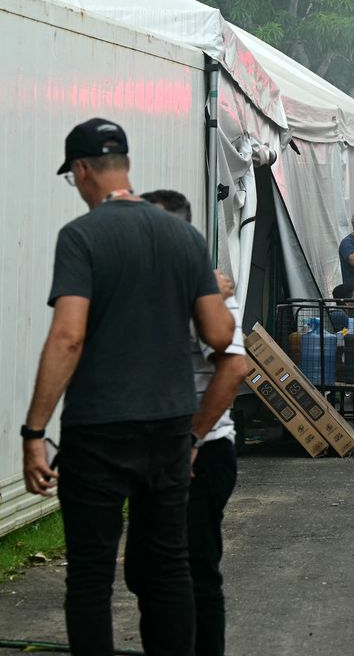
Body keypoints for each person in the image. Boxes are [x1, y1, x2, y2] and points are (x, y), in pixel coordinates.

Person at [22, 118, 234, 656]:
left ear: (82, 170)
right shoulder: (184, 236)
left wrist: (34, 429)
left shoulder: (82, 236)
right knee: (168, 568)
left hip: (99, 429)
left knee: (91, 575)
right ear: (127, 166)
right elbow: (218, 333)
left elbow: (68, 337)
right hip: (169, 428)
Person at [141, 189, 248, 656]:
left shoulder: (209, 294)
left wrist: (192, 438)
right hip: (156, 449)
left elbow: (233, 368)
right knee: (147, 571)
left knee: (193, 568)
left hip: (200, 454)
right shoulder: (151, 287)